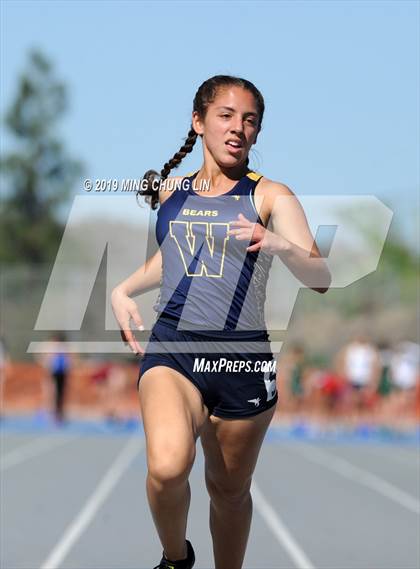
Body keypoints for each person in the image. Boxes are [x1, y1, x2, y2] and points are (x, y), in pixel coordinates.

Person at [111, 75, 331, 569]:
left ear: (257, 133)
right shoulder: (171, 192)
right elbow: (177, 258)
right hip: (174, 348)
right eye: (226, 116)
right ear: (199, 122)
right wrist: (123, 288)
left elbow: (320, 276)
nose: (238, 128)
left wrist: (278, 244)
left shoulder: (271, 195)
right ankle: (175, 559)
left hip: (243, 361)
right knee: (167, 467)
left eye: (249, 120)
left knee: (228, 492)